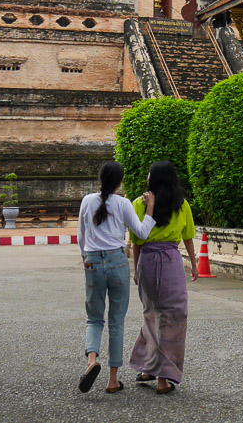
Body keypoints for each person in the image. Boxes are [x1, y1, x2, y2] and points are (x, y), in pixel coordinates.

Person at [77, 162, 156, 394]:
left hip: (92, 260)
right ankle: (112, 380)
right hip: (116, 261)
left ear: (100, 179)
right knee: (116, 321)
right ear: (120, 182)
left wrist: (85, 256)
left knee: (94, 318)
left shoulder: (87, 200)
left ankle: (92, 360)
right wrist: (150, 207)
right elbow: (141, 232)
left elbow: (81, 235)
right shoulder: (122, 203)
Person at [129, 160, 198, 395]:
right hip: (170, 260)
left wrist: (136, 268)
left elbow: (136, 240)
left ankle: (149, 367)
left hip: (147, 260)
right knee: (174, 315)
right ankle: (162, 378)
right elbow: (188, 237)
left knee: (151, 313)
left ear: (155, 179)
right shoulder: (182, 204)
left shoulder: (139, 203)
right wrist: (195, 264)